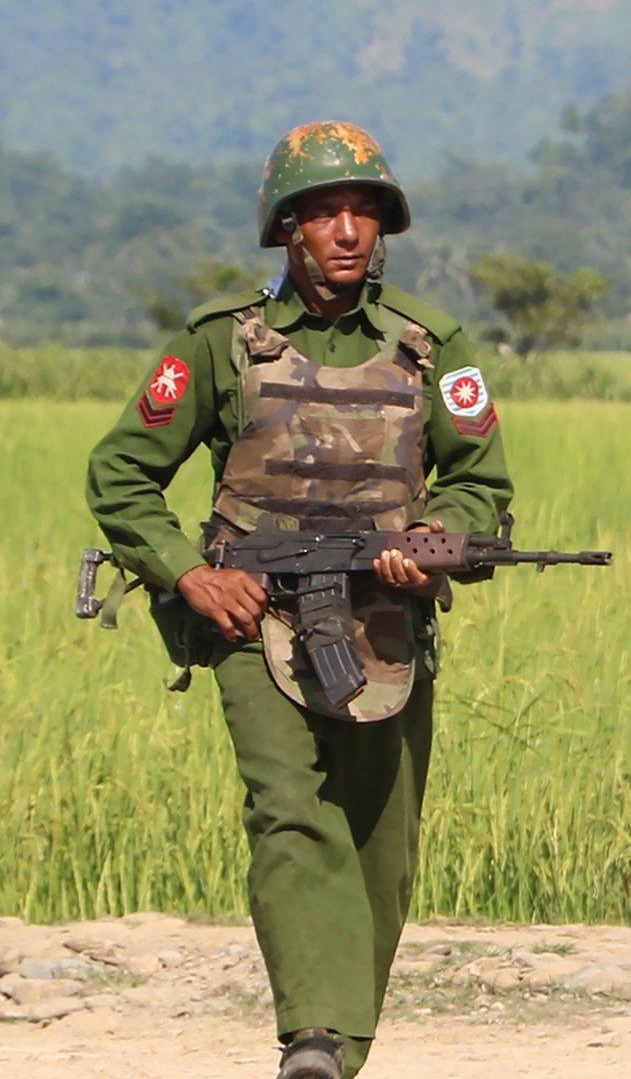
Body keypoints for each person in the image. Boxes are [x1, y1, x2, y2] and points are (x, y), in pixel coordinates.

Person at [84, 121, 512, 1079]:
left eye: (363, 212)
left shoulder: (432, 345)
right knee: (290, 809)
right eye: (324, 213)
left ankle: (339, 1048)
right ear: (287, 230)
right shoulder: (218, 344)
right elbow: (121, 474)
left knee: (381, 842)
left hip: (386, 621)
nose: (347, 231)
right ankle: (312, 1038)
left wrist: (430, 544)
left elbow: (482, 482)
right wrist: (189, 573)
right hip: (252, 617)